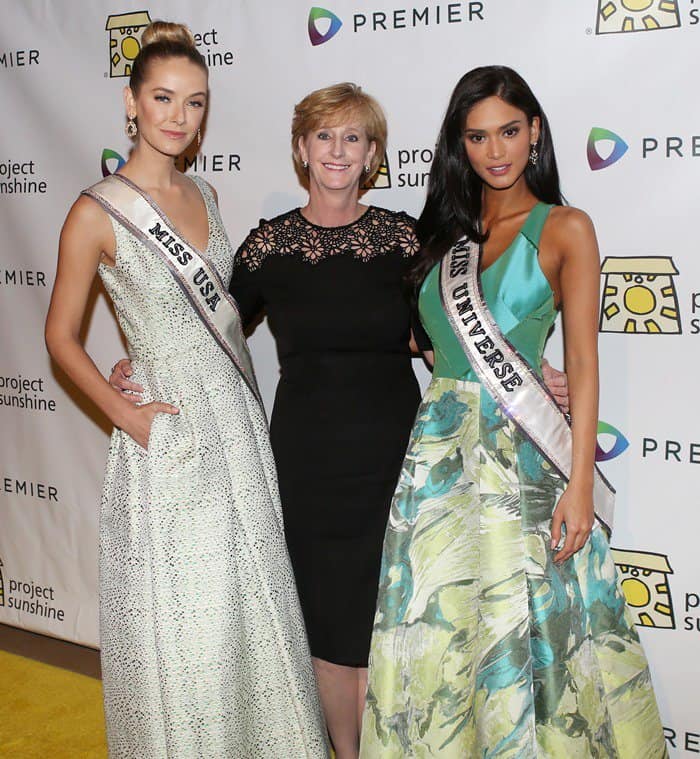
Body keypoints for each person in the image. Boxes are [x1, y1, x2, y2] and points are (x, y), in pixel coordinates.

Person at [109, 82, 568, 758]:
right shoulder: (266, 248)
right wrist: (134, 363)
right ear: (301, 148)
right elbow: (203, 329)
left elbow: (444, 339)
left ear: (373, 153)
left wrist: (530, 369)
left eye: (352, 137)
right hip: (305, 461)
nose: (337, 150)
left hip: (396, 455)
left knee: (384, 617)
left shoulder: (407, 240)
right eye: (324, 136)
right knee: (325, 624)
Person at [360, 66, 667, 758]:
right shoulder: (442, 235)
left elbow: (585, 362)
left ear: (534, 133)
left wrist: (581, 481)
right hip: (437, 463)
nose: (495, 150)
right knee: (440, 634)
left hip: (518, 457)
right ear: (458, 144)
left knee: (524, 633)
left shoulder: (565, 227)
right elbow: (428, 343)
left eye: (508, 130)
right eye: (477, 135)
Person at [45, 21, 327, 757]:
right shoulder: (96, 209)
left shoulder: (204, 190)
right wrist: (130, 417)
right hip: (166, 435)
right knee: (190, 625)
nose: (178, 115)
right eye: (163, 98)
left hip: (234, 423)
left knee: (249, 607)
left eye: (195, 102)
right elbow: (59, 339)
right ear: (131, 104)